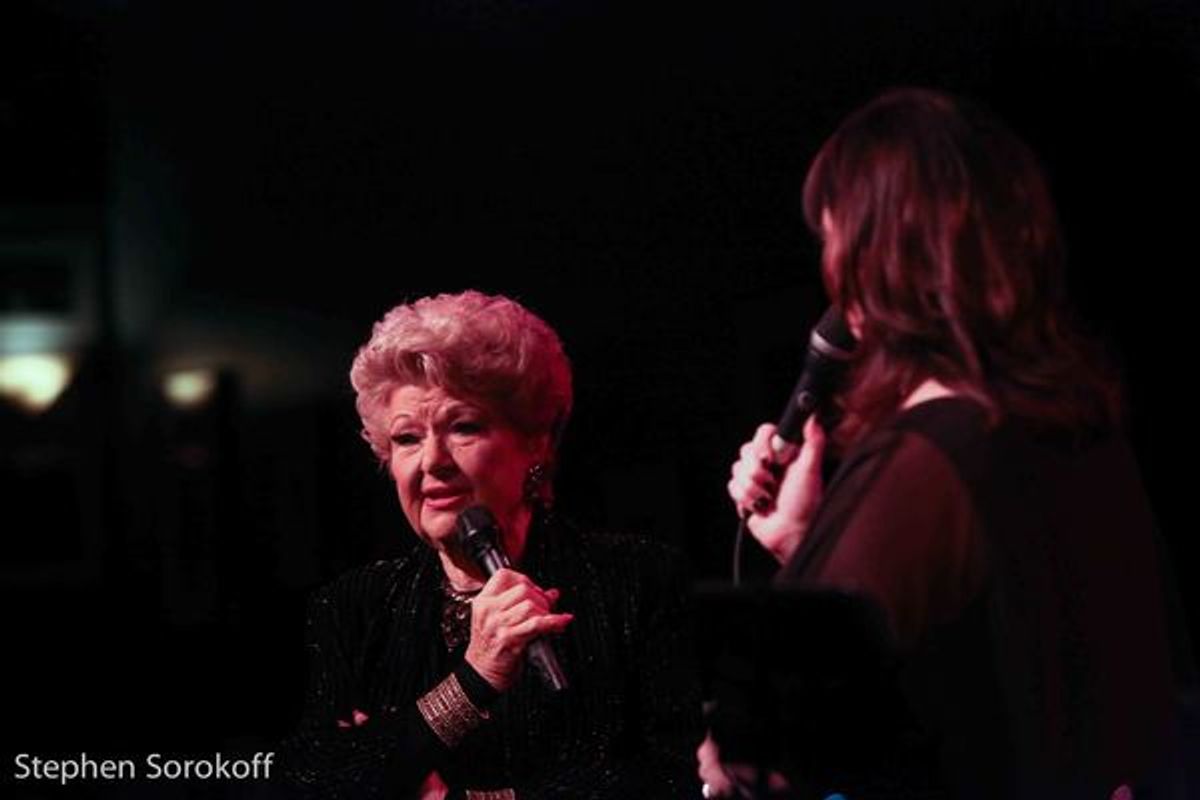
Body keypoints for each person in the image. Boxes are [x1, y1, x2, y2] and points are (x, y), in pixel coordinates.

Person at [717, 88, 1180, 798]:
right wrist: (810, 540)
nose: (833, 278)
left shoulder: (924, 462)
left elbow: (775, 754)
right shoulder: (1080, 433)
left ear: (886, 255)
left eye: (839, 242)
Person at [275, 290, 702, 798]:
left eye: (464, 427)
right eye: (407, 438)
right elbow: (316, 782)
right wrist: (475, 676)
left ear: (535, 441)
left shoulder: (637, 579)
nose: (432, 461)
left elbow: (669, 779)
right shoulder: (353, 607)